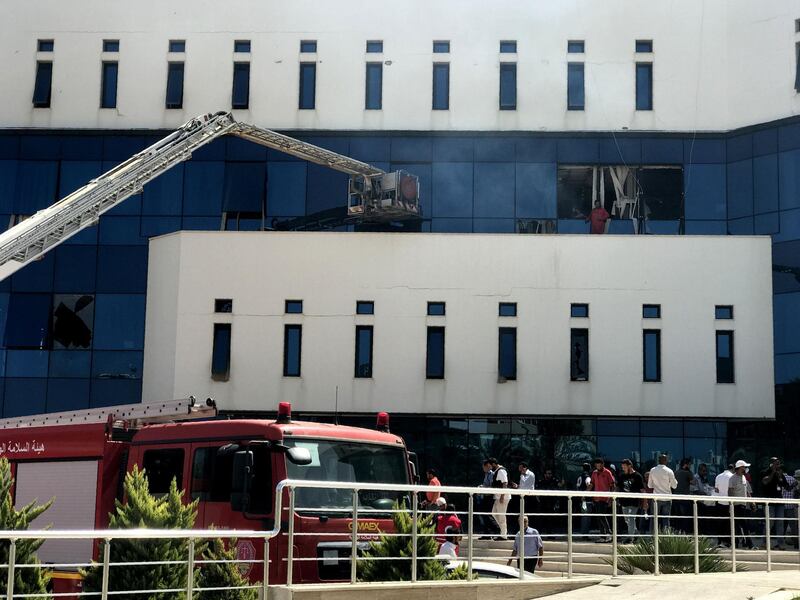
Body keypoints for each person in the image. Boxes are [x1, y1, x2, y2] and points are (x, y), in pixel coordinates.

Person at [761, 457, 793, 549]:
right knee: (770, 523)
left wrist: (780, 476)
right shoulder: (764, 472)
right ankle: (765, 543)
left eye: (778, 464)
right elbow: (765, 482)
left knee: (780, 523)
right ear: (771, 464)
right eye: (776, 463)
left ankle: (780, 543)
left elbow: (786, 487)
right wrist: (773, 472)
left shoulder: (780, 474)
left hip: (779, 502)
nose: (778, 465)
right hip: (769, 502)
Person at [729, 459, 755, 549]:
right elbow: (730, 491)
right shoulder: (733, 478)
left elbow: (747, 491)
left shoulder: (744, 477)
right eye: (744, 467)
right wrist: (731, 504)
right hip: (736, 505)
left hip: (743, 505)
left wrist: (752, 502)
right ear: (740, 468)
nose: (745, 468)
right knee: (742, 524)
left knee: (740, 525)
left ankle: (738, 544)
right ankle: (749, 544)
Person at [617, 459, 645, 543]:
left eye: (624, 467)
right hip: (624, 501)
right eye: (622, 467)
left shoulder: (637, 476)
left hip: (634, 501)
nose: (623, 469)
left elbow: (642, 489)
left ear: (630, 466)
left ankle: (630, 538)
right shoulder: (622, 476)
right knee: (627, 520)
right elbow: (618, 487)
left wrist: (645, 502)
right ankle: (636, 534)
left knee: (631, 518)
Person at [588, 458, 615, 542]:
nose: (598, 466)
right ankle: (603, 536)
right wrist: (585, 493)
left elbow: (613, 485)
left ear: (603, 464)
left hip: (604, 498)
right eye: (597, 464)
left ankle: (609, 533)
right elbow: (591, 484)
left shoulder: (607, 472)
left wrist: (611, 498)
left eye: (599, 464)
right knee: (599, 517)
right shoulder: (594, 473)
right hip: (596, 497)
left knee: (602, 515)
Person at [647, 454, 678, 529]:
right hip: (667, 498)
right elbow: (674, 486)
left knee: (654, 519)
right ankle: (665, 537)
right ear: (666, 461)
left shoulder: (652, 470)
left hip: (656, 498)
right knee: (666, 520)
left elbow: (649, 485)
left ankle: (652, 536)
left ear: (658, 460)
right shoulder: (669, 471)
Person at [690, 463, 717, 537]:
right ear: (699, 470)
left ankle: (705, 532)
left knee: (706, 517)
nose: (705, 473)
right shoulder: (695, 478)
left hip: (705, 501)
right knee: (699, 518)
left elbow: (707, 487)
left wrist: (713, 489)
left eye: (706, 471)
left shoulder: (704, 478)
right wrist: (704, 493)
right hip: (698, 501)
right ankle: (700, 532)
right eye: (703, 471)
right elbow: (694, 490)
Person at [714, 464, 735, 547]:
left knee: (720, 523)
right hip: (729, 503)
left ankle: (720, 541)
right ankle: (728, 541)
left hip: (720, 502)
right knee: (728, 523)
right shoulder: (733, 477)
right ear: (733, 469)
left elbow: (716, 489)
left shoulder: (718, 476)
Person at [489, 457, 510, 539]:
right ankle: (502, 531)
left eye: (490, 466)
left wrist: (502, 495)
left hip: (502, 497)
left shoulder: (501, 470)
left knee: (501, 516)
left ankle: (503, 535)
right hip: (497, 497)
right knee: (494, 513)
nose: (490, 468)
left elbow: (505, 483)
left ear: (493, 464)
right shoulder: (497, 471)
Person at [476, 459, 498, 537]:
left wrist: (483, 487)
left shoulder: (491, 474)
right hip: (485, 496)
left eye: (484, 467)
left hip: (489, 497)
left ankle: (496, 529)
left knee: (487, 514)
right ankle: (487, 533)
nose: (483, 469)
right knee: (483, 514)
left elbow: (491, 486)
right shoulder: (486, 474)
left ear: (487, 466)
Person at [536, 468, 560, 536]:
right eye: (548, 473)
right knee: (540, 519)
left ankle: (550, 534)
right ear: (545, 474)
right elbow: (537, 492)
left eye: (550, 474)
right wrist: (539, 501)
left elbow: (559, 487)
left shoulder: (554, 481)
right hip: (542, 502)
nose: (549, 475)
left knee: (550, 519)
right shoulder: (541, 481)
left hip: (551, 503)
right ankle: (539, 534)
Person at [673, 458, 694, 533]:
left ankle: (678, 531)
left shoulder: (675, 472)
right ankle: (685, 531)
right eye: (690, 464)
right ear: (686, 465)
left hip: (675, 497)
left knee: (677, 515)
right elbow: (693, 482)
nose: (690, 466)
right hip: (684, 497)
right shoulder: (688, 473)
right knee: (685, 516)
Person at [575, 462, 593, 540]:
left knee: (584, 516)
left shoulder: (579, 477)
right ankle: (585, 535)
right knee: (586, 517)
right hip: (586, 501)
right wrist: (585, 495)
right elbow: (589, 485)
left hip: (582, 501)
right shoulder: (588, 477)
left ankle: (584, 533)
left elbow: (577, 487)